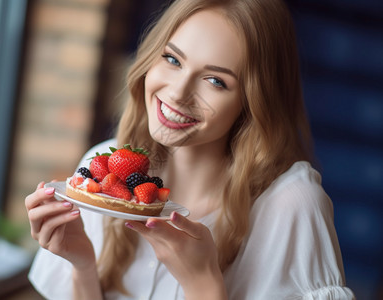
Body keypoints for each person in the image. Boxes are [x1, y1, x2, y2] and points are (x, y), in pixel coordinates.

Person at [25, 0, 355, 299]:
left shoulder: (291, 205)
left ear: (254, 101)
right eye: (172, 59)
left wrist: (203, 284)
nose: (178, 93)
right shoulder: (105, 167)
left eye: (216, 81)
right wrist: (82, 263)